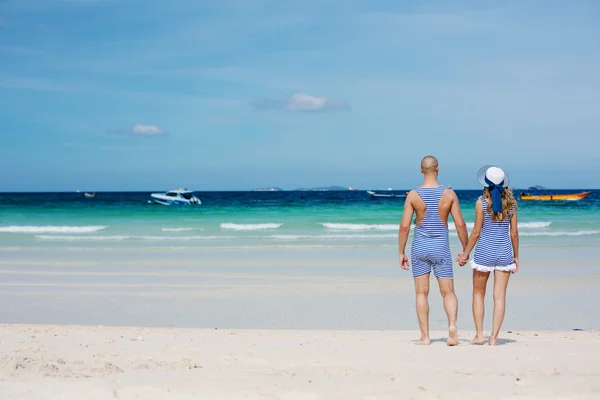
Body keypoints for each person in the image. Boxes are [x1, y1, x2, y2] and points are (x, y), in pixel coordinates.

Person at [398, 155, 469, 346]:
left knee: (421, 292)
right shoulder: (449, 194)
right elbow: (460, 224)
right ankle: (452, 325)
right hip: (441, 248)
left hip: (420, 247)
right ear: (437, 169)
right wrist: (465, 250)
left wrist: (401, 252)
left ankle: (425, 337)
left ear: (421, 170)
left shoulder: (413, 195)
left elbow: (404, 227)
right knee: (448, 292)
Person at [457, 166, 519, 346]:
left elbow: (476, 232)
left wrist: (465, 254)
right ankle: (494, 338)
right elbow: (514, 233)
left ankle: (479, 335)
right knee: (499, 296)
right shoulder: (512, 204)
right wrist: (516, 256)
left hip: (484, 252)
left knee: (478, 294)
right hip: (504, 252)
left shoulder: (481, 203)